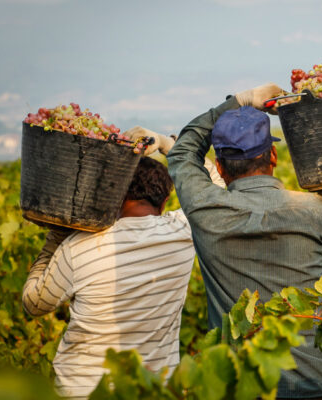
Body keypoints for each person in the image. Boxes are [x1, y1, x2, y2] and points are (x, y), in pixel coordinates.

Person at [148, 83, 322, 399]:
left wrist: (240, 101)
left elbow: (183, 150)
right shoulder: (316, 208)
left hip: (245, 386)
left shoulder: (204, 208)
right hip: (321, 383)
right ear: (273, 155)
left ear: (218, 168)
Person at [22, 156, 196, 399]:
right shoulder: (185, 231)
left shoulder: (78, 246)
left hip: (84, 392)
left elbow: (33, 303)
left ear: (115, 194)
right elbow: (217, 182)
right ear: (165, 200)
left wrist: (55, 238)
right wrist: (168, 144)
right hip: (153, 390)